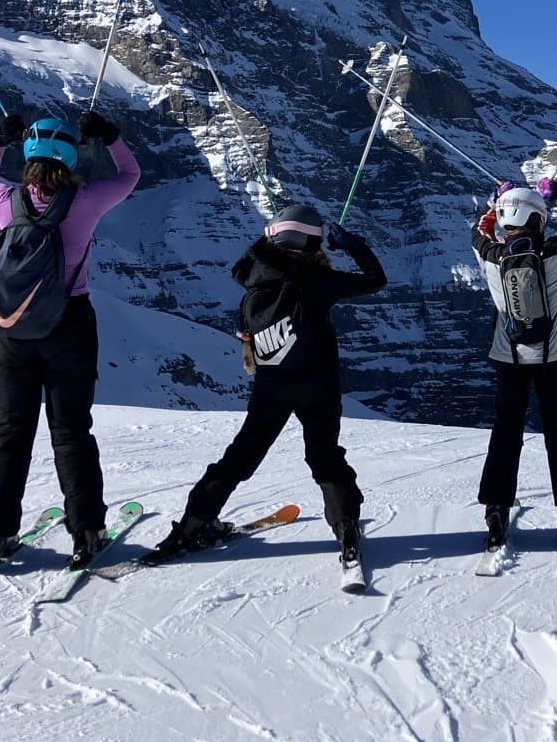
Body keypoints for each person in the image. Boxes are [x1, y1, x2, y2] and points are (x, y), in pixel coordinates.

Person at [152, 204, 386, 572]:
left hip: (271, 386)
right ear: (313, 243)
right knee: (325, 456)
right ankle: (347, 528)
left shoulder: (253, 281)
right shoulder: (318, 281)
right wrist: (353, 245)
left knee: (240, 457)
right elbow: (375, 279)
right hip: (318, 383)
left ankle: (193, 524)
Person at [0, 110, 140, 572]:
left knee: (10, 429)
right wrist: (109, 138)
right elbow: (131, 174)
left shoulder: (7, 201)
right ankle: (86, 532)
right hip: (69, 323)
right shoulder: (84, 202)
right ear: (70, 157)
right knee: (70, 430)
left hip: (9, 331)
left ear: (27, 156)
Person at [470, 179, 557, 553]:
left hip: (507, 356)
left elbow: (480, 231)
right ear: (539, 219)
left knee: (506, 430)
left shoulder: (491, 255)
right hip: (552, 354)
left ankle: (496, 508)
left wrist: (495, 201)